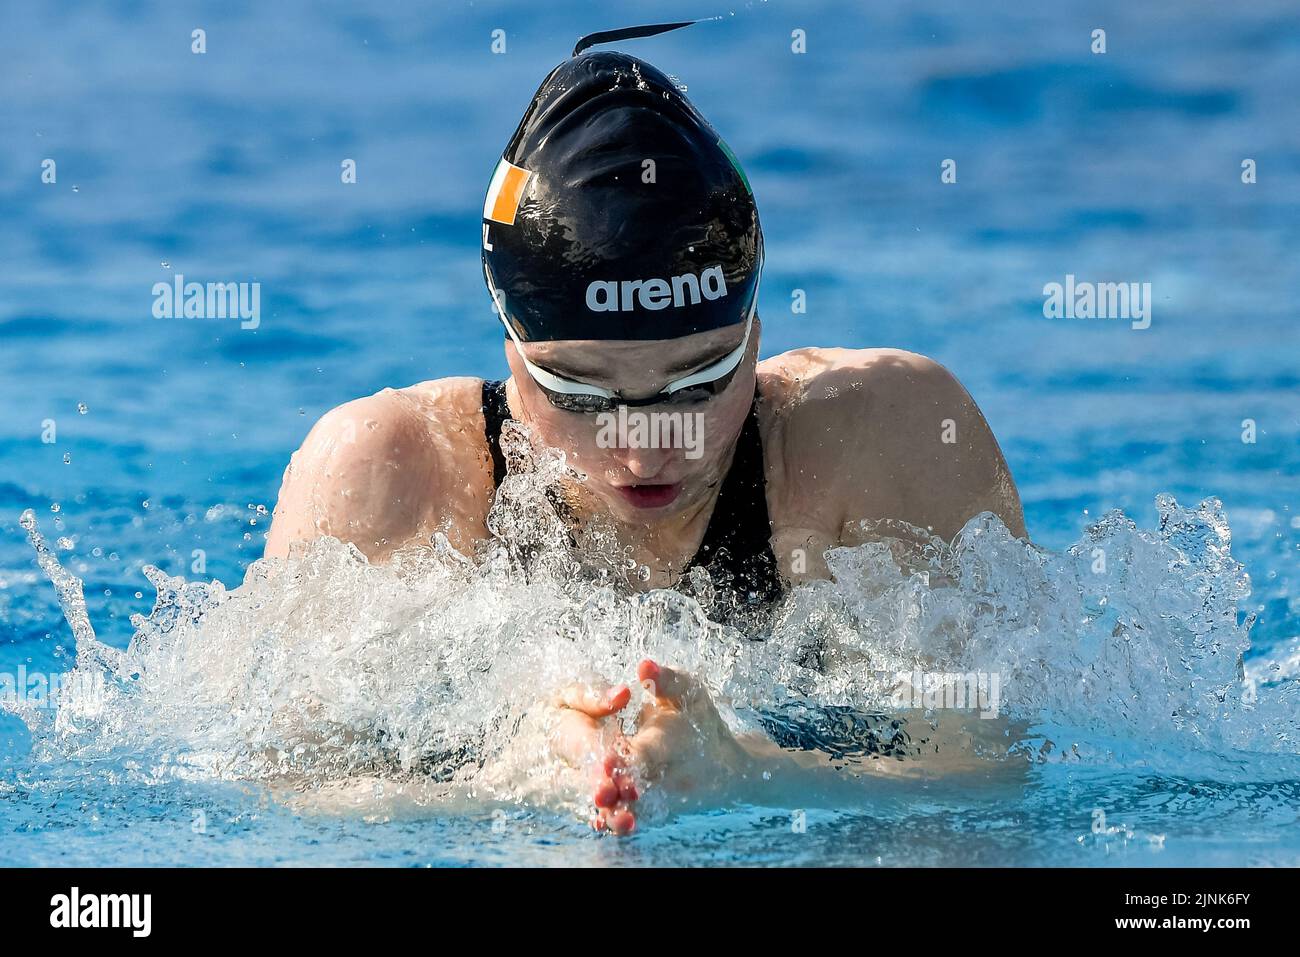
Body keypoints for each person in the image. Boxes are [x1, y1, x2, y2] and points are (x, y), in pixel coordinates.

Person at [265, 24, 1026, 834]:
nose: (645, 448)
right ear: (514, 356)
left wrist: (749, 771)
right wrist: (513, 771)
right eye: (584, 393)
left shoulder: (889, 436)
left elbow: (992, 786)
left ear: (755, 339)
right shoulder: (391, 475)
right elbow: (285, 799)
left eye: (698, 382)